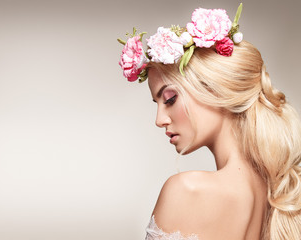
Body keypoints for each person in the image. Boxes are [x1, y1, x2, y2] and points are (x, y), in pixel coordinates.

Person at [118, 3, 301, 240]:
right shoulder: (279, 199)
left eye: (170, 99)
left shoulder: (186, 190)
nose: (159, 120)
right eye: (157, 104)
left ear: (214, 90)